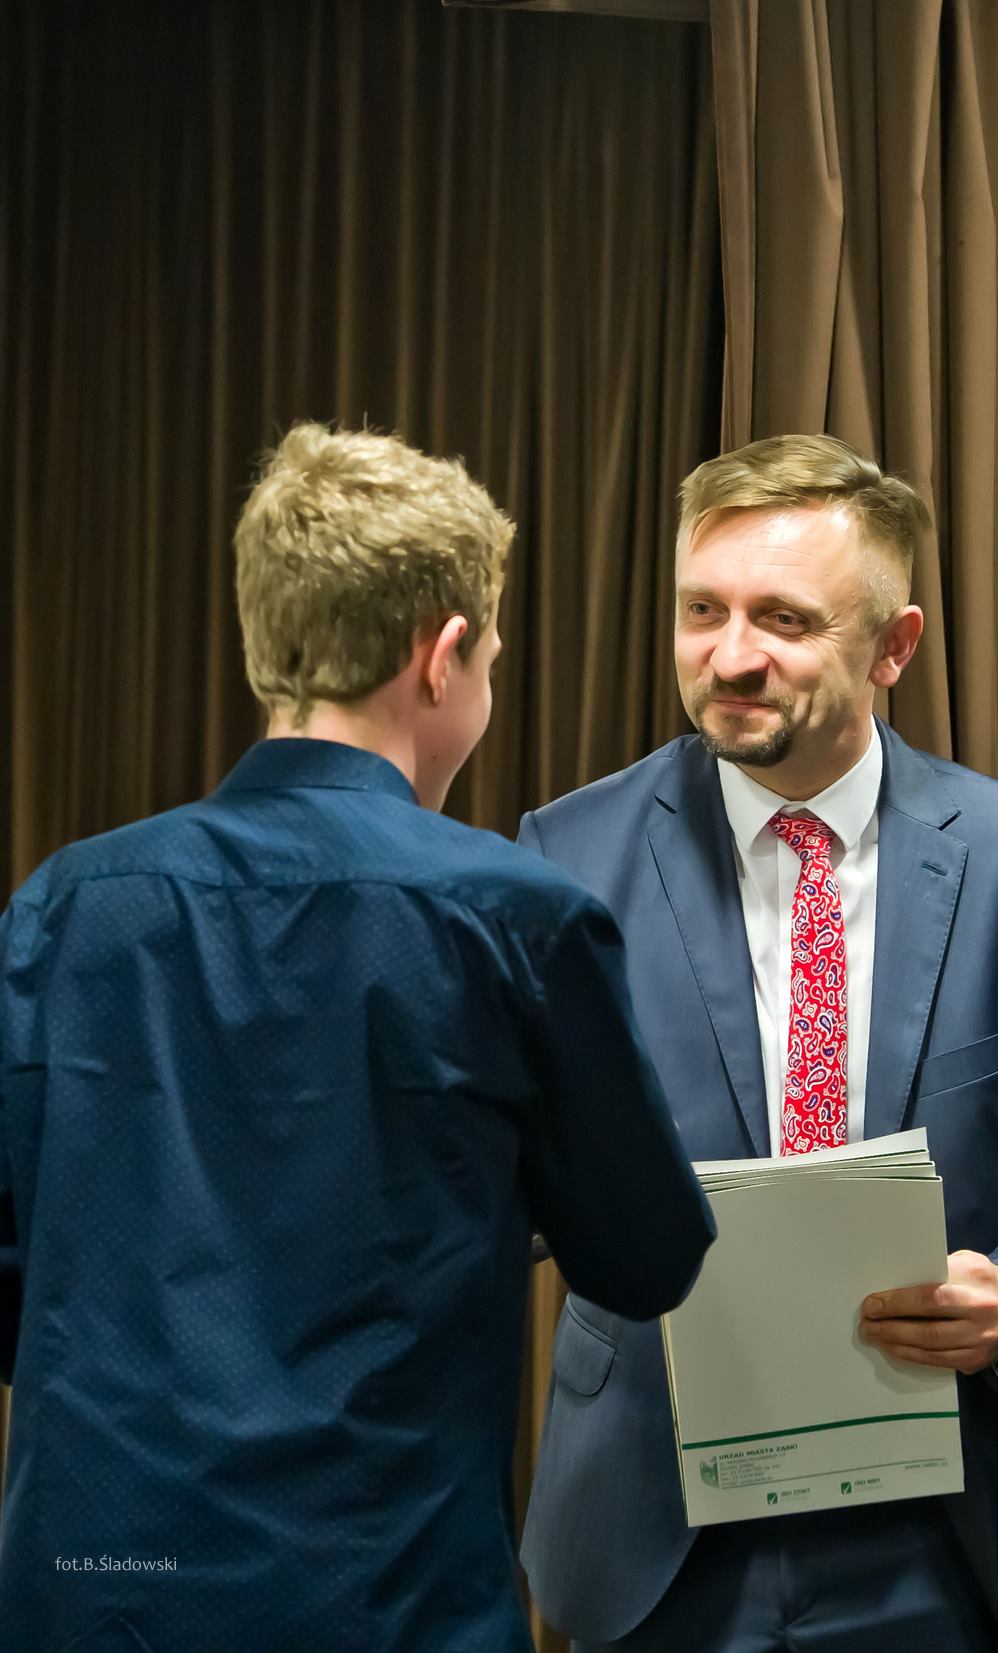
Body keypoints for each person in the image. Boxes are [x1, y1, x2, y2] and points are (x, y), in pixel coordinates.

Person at [0, 423, 715, 1653]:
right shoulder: (515, 918)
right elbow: (647, 1259)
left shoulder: (62, 905)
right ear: (441, 657)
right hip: (382, 1596)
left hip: (96, 1584)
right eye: (490, 658)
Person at [519, 434, 998, 1653]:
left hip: (942, 1533)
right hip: (652, 1528)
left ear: (893, 646)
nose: (729, 656)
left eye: (782, 619)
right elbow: (506, 1174)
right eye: (701, 610)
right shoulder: (560, 861)